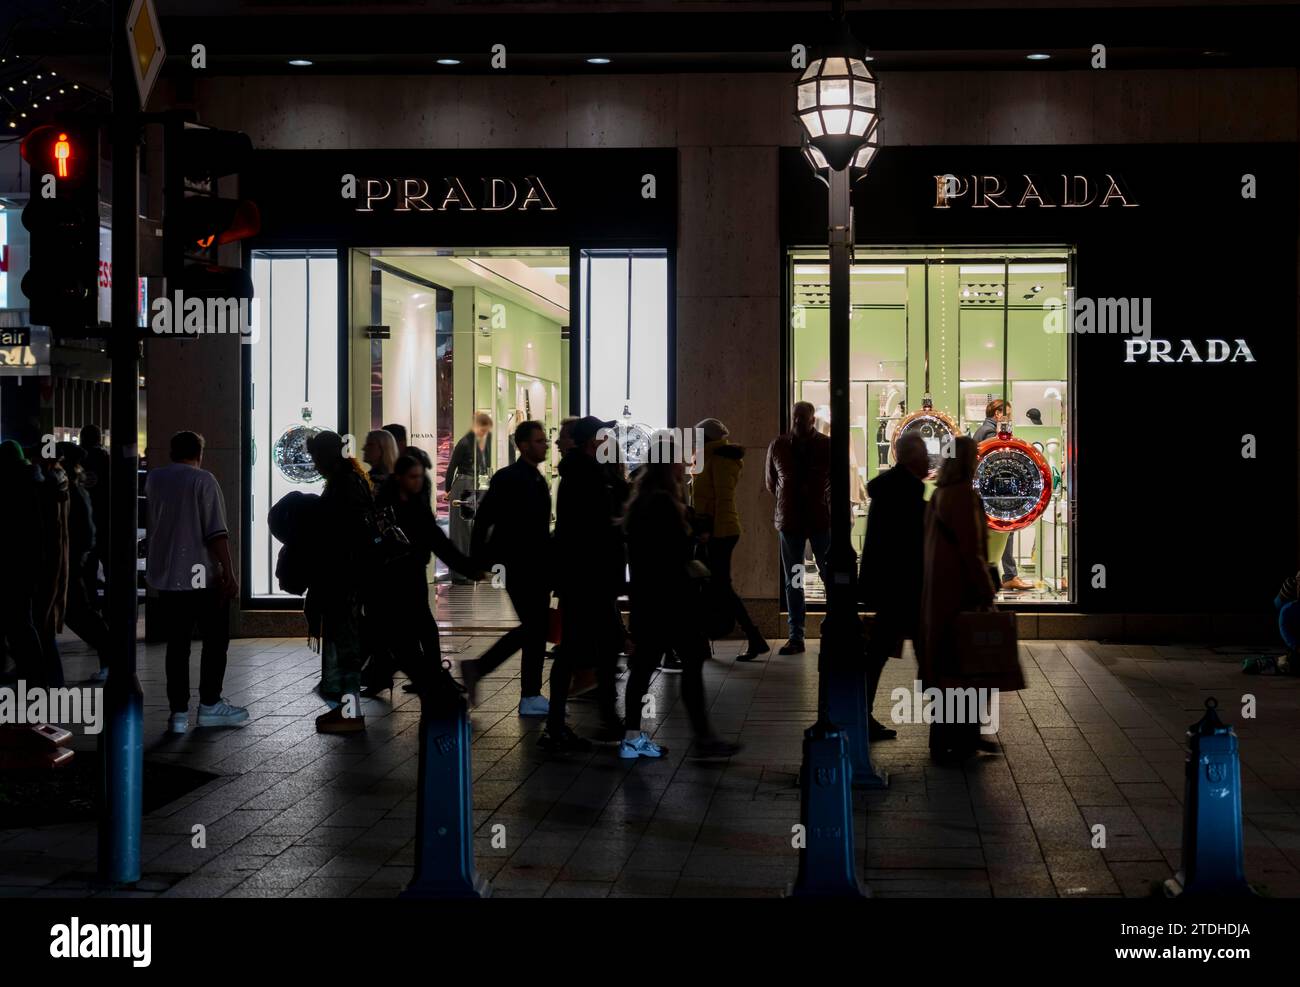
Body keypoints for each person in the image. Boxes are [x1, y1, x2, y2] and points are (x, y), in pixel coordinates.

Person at [622, 431, 742, 760]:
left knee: (649, 667)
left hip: (653, 600)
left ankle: (637, 736)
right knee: (681, 665)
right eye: (679, 459)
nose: (685, 464)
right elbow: (670, 553)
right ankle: (698, 738)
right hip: (670, 601)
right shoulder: (662, 502)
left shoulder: (646, 497)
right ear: (668, 463)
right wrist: (693, 540)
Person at [145, 431, 247, 734]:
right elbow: (216, 532)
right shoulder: (203, 480)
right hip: (201, 574)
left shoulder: (155, 479)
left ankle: (177, 714)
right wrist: (229, 572)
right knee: (215, 640)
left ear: (172, 451)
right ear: (199, 453)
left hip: (167, 576)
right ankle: (210, 705)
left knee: (177, 646)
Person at [545, 415, 625, 751]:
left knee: (589, 647)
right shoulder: (588, 475)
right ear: (592, 441)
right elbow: (594, 528)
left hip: (583, 577)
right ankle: (566, 723)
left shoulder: (579, 473)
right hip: (590, 577)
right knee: (586, 647)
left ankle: (598, 716)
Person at [367, 454, 479, 696]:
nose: (418, 482)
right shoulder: (386, 506)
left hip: (410, 576)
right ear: (399, 477)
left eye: (420, 477)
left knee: (412, 632)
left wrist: (468, 568)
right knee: (405, 634)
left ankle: (424, 680)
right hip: (390, 580)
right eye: (413, 477)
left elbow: (439, 542)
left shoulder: (414, 506)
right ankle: (428, 681)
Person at [462, 421, 553, 715]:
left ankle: (528, 693)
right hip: (519, 564)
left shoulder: (533, 478)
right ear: (523, 445)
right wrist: (477, 561)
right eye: (539, 441)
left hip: (534, 563)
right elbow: (485, 519)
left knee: (535, 628)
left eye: (544, 441)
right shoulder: (511, 478)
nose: (545, 445)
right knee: (534, 627)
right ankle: (519, 689)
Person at [919, 436, 996, 762]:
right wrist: (986, 589)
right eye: (975, 456)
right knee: (968, 664)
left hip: (938, 592)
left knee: (945, 666)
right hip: (961, 592)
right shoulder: (966, 495)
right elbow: (972, 550)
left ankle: (943, 738)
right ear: (967, 460)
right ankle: (964, 738)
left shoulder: (938, 494)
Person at [306, 429, 379, 733]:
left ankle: (350, 713)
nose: (314, 464)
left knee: (345, 644)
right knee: (344, 642)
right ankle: (346, 710)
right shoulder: (353, 480)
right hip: (350, 576)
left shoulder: (342, 486)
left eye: (316, 457)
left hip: (343, 577)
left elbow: (339, 534)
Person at [859, 432, 929, 742]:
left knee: (879, 652)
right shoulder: (908, 492)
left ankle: (861, 712)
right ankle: (953, 725)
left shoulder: (887, 488)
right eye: (924, 453)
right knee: (924, 652)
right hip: (904, 586)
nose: (929, 459)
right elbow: (911, 544)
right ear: (913, 457)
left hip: (889, 584)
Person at [691, 418, 769, 662]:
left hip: (719, 532)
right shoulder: (708, 457)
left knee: (720, 586)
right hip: (714, 530)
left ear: (707, 437)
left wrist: (708, 530)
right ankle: (707, 639)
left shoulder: (720, 459)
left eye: (698, 435)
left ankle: (754, 638)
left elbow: (722, 500)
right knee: (713, 584)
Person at [765, 401, 831, 655]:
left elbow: (773, 485)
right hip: (794, 520)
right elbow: (772, 483)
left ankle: (818, 630)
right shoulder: (778, 445)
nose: (798, 422)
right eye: (796, 417)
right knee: (794, 580)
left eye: (803, 417)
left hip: (815, 519)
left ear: (813, 419)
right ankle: (796, 636)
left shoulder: (825, 445)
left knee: (827, 575)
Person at [58, 442, 111, 680]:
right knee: (78, 612)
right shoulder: (73, 490)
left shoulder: (74, 492)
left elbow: (85, 532)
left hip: (71, 562)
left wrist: (76, 556)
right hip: (72, 560)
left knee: (80, 612)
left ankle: (111, 659)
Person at [0, 440, 49, 685]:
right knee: (22, 621)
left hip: (12, 563)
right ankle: (33, 674)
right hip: (30, 563)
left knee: (18, 622)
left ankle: (33, 674)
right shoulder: (35, 483)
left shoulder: (8, 486)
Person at [972, 399, 1033, 591]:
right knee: (1006, 528)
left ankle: (1006, 574)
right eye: (1007, 413)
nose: (1010, 418)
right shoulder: (992, 433)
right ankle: (1009, 575)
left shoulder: (982, 430)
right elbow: (1000, 460)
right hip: (997, 492)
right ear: (998, 414)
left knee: (1002, 532)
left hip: (988, 492)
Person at [446, 412, 493, 583]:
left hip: (472, 486)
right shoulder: (466, 443)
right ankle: (460, 573)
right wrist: (448, 490)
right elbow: (452, 467)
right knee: (462, 530)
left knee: (468, 529)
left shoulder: (477, 444)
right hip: (465, 486)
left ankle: (466, 571)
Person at [80, 423, 111, 613]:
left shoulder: (79, 461)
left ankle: (91, 607)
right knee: (109, 569)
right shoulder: (107, 460)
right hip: (106, 523)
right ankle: (109, 607)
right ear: (99, 439)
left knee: (88, 572)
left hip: (84, 525)